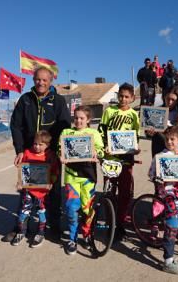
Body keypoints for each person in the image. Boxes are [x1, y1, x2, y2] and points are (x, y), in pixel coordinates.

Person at [8, 66, 71, 241]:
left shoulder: (58, 101)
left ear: (51, 81)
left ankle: (54, 226)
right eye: (38, 79)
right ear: (33, 80)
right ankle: (21, 227)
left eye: (44, 80)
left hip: (50, 155)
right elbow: (16, 126)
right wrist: (20, 150)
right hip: (30, 153)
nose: (41, 83)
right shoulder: (25, 99)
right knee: (27, 191)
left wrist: (61, 151)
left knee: (53, 191)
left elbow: (65, 126)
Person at [148, 126, 178, 275]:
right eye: (167, 139)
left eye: (173, 139)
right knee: (173, 222)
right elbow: (151, 174)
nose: (169, 142)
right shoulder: (159, 156)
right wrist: (157, 178)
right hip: (168, 193)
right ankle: (168, 260)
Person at [59, 106, 104, 255]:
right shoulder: (66, 132)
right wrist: (61, 155)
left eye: (82, 118)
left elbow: (101, 149)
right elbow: (60, 148)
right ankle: (72, 239)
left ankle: (86, 234)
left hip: (88, 177)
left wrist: (96, 154)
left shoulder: (93, 133)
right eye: (76, 117)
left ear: (88, 120)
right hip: (71, 176)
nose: (78, 120)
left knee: (87, 209)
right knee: (71, 208)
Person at [98, 83, 140, 241]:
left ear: (132, 98)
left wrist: (135, 149)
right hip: (110, 158)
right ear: (117, 96)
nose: (123, 99)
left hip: (126, 159)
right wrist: (104, 149)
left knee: (124, 193)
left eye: (127, 96)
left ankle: (120, 224)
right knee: (109, 192)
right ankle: (110, 221)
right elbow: (101, 131)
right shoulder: (109, 111)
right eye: (121, 96)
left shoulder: (134, 115)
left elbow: (135, 135)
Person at [11, 130, 59, 248]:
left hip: (42, 192)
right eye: (35, 143)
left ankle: (40, 232)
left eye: (40, 144)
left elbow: (55, 171)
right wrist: (20, 182)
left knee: (41, 213)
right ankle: (21, 231)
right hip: (28, 190)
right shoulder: (27, 153)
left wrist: (51, 182)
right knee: (23, 212)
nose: (37, 146)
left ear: (47, 145)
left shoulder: (50, 156)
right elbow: (23, 170)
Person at [146, 86, 178, 157]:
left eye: (173, 100)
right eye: (168, 99)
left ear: (177, 100)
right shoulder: (155, 111)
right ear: (164, 98)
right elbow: (147, 132)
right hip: (158, 148)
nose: (170, 102)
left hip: (173, 150)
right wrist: (149, 132)